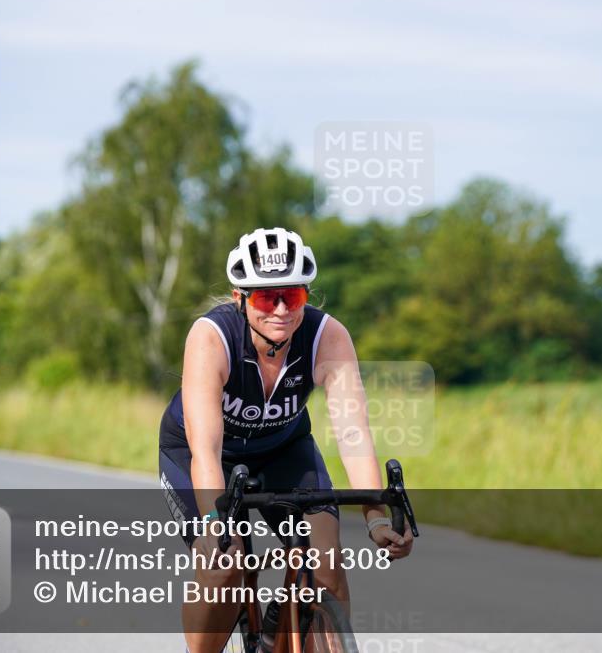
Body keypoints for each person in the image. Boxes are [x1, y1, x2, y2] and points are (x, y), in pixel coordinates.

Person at [159, 227, 414, 653]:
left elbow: (352, 431)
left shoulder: (327, 336)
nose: (280, 309)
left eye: (292, 297)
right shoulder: (211, 337)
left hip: (283, 450)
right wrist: (212, 525)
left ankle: (289, 634)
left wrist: (377, 518)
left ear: (305, 297)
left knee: (326, 565)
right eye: (265, 297)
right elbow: (204, 448)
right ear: (240, 298)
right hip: (204, 455)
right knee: (226, 567)